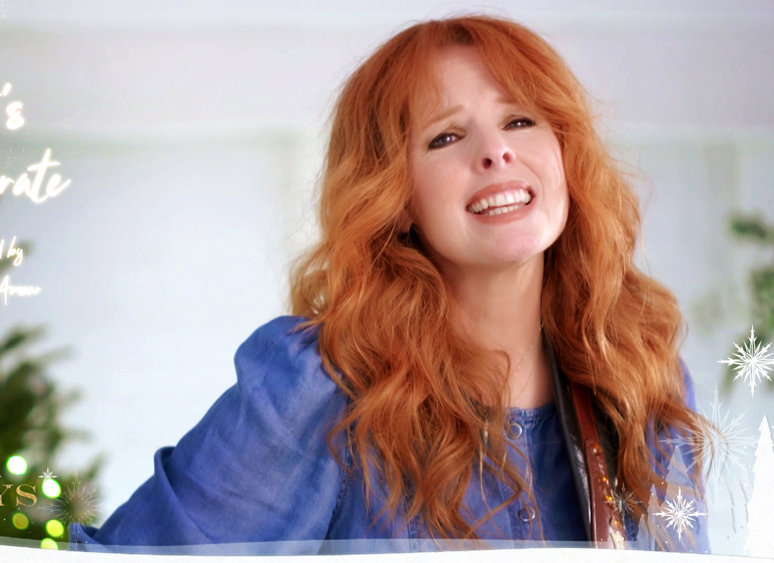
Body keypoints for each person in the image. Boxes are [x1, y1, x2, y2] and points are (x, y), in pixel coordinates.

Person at [71, 15, 709, 554]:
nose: (496, 152)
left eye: (520, 120)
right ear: (396, 198)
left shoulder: (640, 376)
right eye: (446, 136)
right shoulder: (322, 384)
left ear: (565, 153)